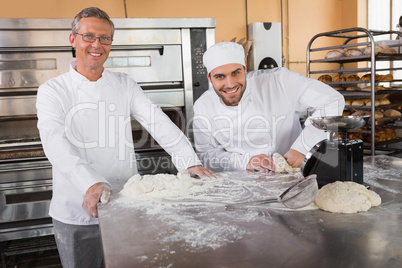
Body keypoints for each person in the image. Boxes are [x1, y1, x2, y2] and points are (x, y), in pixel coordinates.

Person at [36, 7, 214, 268]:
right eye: (89, 36)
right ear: (73, 39)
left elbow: (158, 122)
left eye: (105, 38)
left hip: (123, 203)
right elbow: (54, 142)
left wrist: (188, 161)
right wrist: (89, 183)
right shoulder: (53, 90)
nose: (97, 45)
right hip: (76, 208)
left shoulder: (123, 84)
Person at [192, 42, 345, 172]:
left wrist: (303, 146)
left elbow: (332, 100)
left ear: (245, 70)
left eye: (235, 73)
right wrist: (244, 161)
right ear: (210, 79)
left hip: (296, 174)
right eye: (220, 76)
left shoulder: (279, 81)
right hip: (241, 183)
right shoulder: (204, 106)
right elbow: (206, 154)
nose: (230, 84)